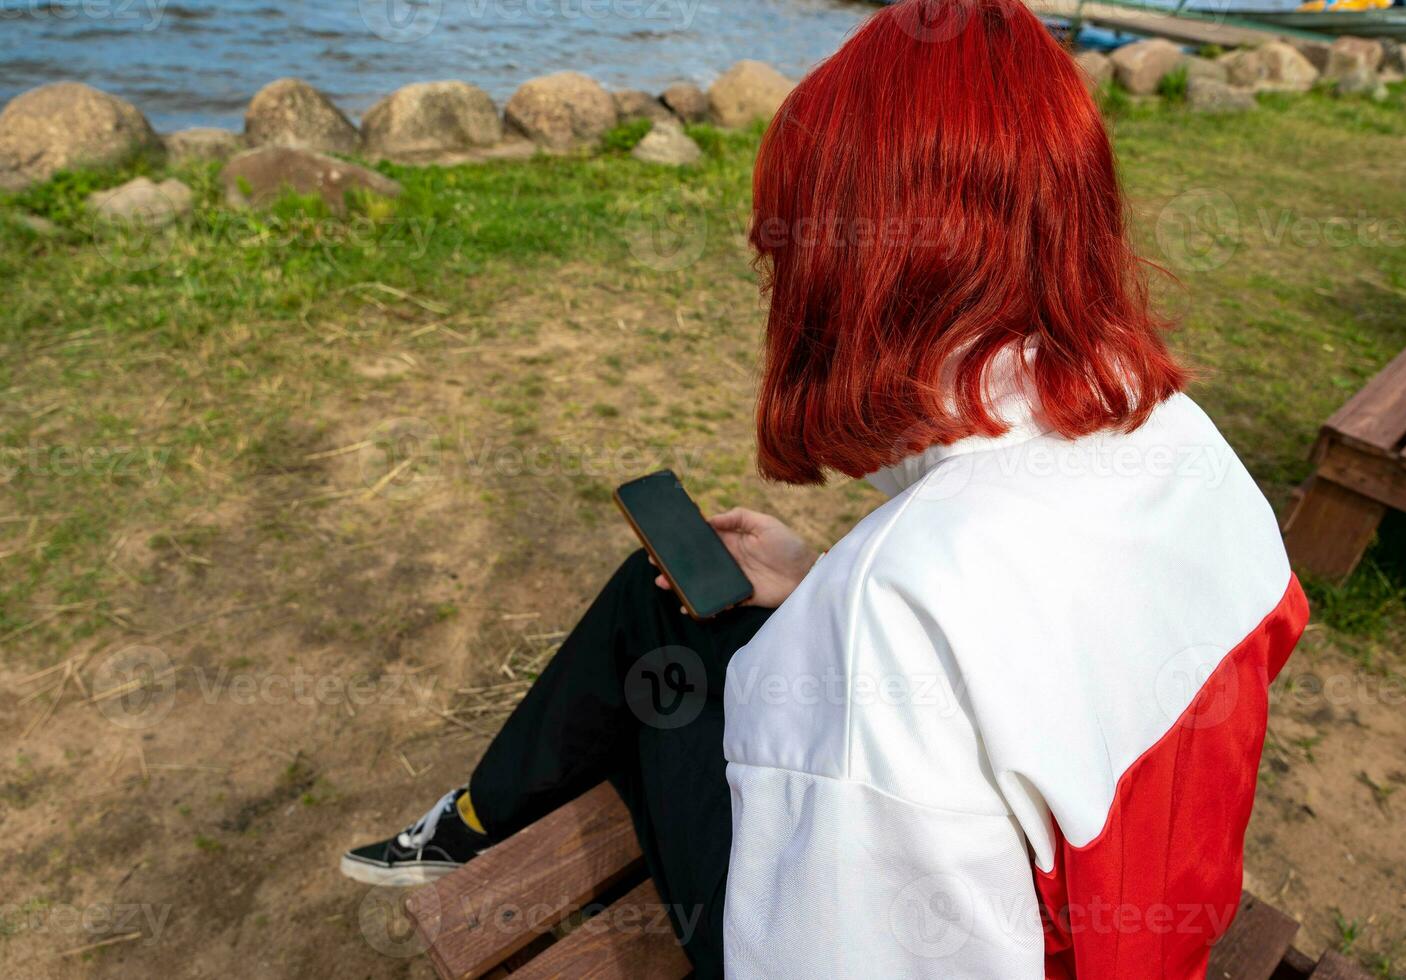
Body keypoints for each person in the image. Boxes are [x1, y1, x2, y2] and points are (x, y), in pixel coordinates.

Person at [340, 0, 1309, 976]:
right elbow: (1064, 661)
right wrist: (819, 588)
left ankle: (471, 823)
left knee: (657, 653)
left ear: (857, 271)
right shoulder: (1183, 438)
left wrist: (846, 612)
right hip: (1154, 928)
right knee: (664, 594)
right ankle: (474, 815)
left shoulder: (901, 603)